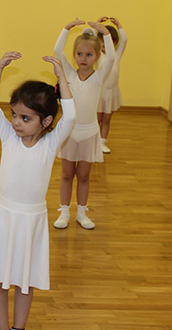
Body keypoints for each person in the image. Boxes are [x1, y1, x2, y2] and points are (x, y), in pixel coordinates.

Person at [0, 52, 75, 330]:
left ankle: (18, 328)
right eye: (14, 115)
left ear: (46, 121)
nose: (16, 122)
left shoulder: (50, 145)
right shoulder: (8, 137)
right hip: (4, 218)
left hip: (31, 221)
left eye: (25, 118)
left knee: (25, 283)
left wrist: (62, 77)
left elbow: (70, 116)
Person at [52, 19, 114, 230]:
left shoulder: (99, 77)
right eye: (79, 54)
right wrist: (66, 28)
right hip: (70, 133)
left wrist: (106, 33)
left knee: (84, 176)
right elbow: (57, 50)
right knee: (67, 174)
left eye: (89, 55)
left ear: (97, 56)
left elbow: (112, 57)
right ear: (74, 55)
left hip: (89, 133)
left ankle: (81, 213)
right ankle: (64, 212)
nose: (84, 58)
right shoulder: (69, 74)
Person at [95, 16, 127, 154]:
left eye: (110, 40)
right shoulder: (97, 54)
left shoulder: (116, 54)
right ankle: (93, 142)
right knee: (97, 118)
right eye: (102, 41)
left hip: (111, 92)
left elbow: (124, 40)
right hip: (99, 92)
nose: (105, 44)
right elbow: (90, 37)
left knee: (107, 118)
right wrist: (97, 24)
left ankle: (102, 142)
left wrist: (119, 25)